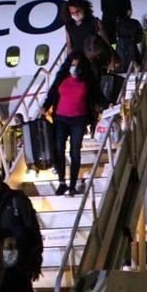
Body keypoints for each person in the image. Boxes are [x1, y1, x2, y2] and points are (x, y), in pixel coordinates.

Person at [43, 51, 103, 197]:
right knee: (58, 148)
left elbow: (97, 95)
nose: (73, 67)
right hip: (61, 119)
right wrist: (45, 107)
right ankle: (62, 182)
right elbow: (52, 94)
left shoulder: (87, 80)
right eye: (72, 64)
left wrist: (107, 104)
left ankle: (72, 185)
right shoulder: (62, 78)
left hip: (79, 119)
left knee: (75, 152)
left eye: (77, 65)